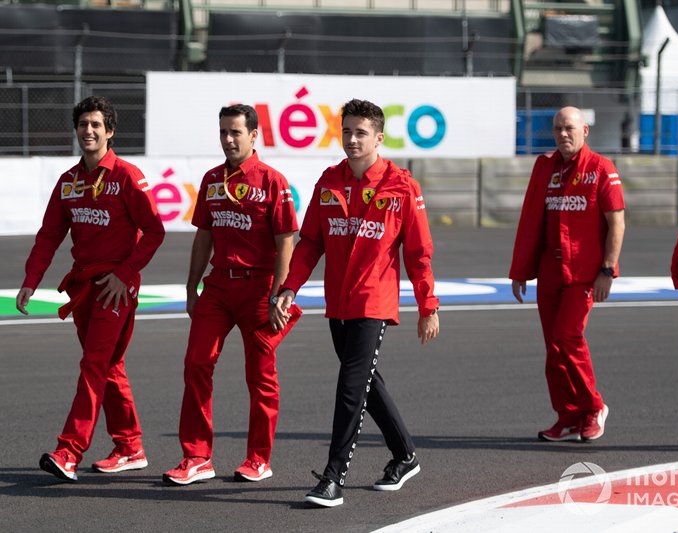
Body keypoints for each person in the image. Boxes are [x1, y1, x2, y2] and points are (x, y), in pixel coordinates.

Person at [273, 98, 440, 507]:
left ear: (379, 138)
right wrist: (289, 288)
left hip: (374, 301)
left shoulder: (403, 186)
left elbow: (419, 253)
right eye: (346, 131)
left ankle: (333, 478)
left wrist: (427, 305)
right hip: (338, 302)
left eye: (361, 133)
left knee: (351, 386)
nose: (351, 139)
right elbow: (310, 243)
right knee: (366, 382)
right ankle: (405, 455)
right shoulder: (329, 181)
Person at [17, 96, 165, 482]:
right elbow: (48, 236)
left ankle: (69, 451)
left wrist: (125, 274)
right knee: (109, 367)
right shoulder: (68, 182)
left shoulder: (128, 177)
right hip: (82, 288)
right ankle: (130, 447)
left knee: (94, 365)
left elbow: (154, 231)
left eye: (96, 124)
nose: (89, 131)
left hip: (116, 289)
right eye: (83, 124)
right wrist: (30, 281)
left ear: (110, 131)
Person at [162, 104, 301, 486]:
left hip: (259, 291)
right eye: (223, 132)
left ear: (254, 135)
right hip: (218, 287)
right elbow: (203, 236)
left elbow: (286, 241)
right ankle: (196, 457)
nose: (228, 139)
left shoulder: (273, 180)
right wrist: (191, 286)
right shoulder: (210, 180)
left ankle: (259, 458)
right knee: (196, 364)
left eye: (235, 132)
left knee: (260, 377)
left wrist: (280, 295)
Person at [509, 106, 625, 443]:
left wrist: (607, 270)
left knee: (567, 338)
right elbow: (531, 220)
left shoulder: (602, 168)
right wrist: (521, 271)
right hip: (550, 271)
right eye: (558, 128)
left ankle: (594, 407)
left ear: (584, 131)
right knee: (553, 348)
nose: (563, 134)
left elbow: (617, 223)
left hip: (585, 273)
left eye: (570, 128)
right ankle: (568, 415)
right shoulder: (545, 167)